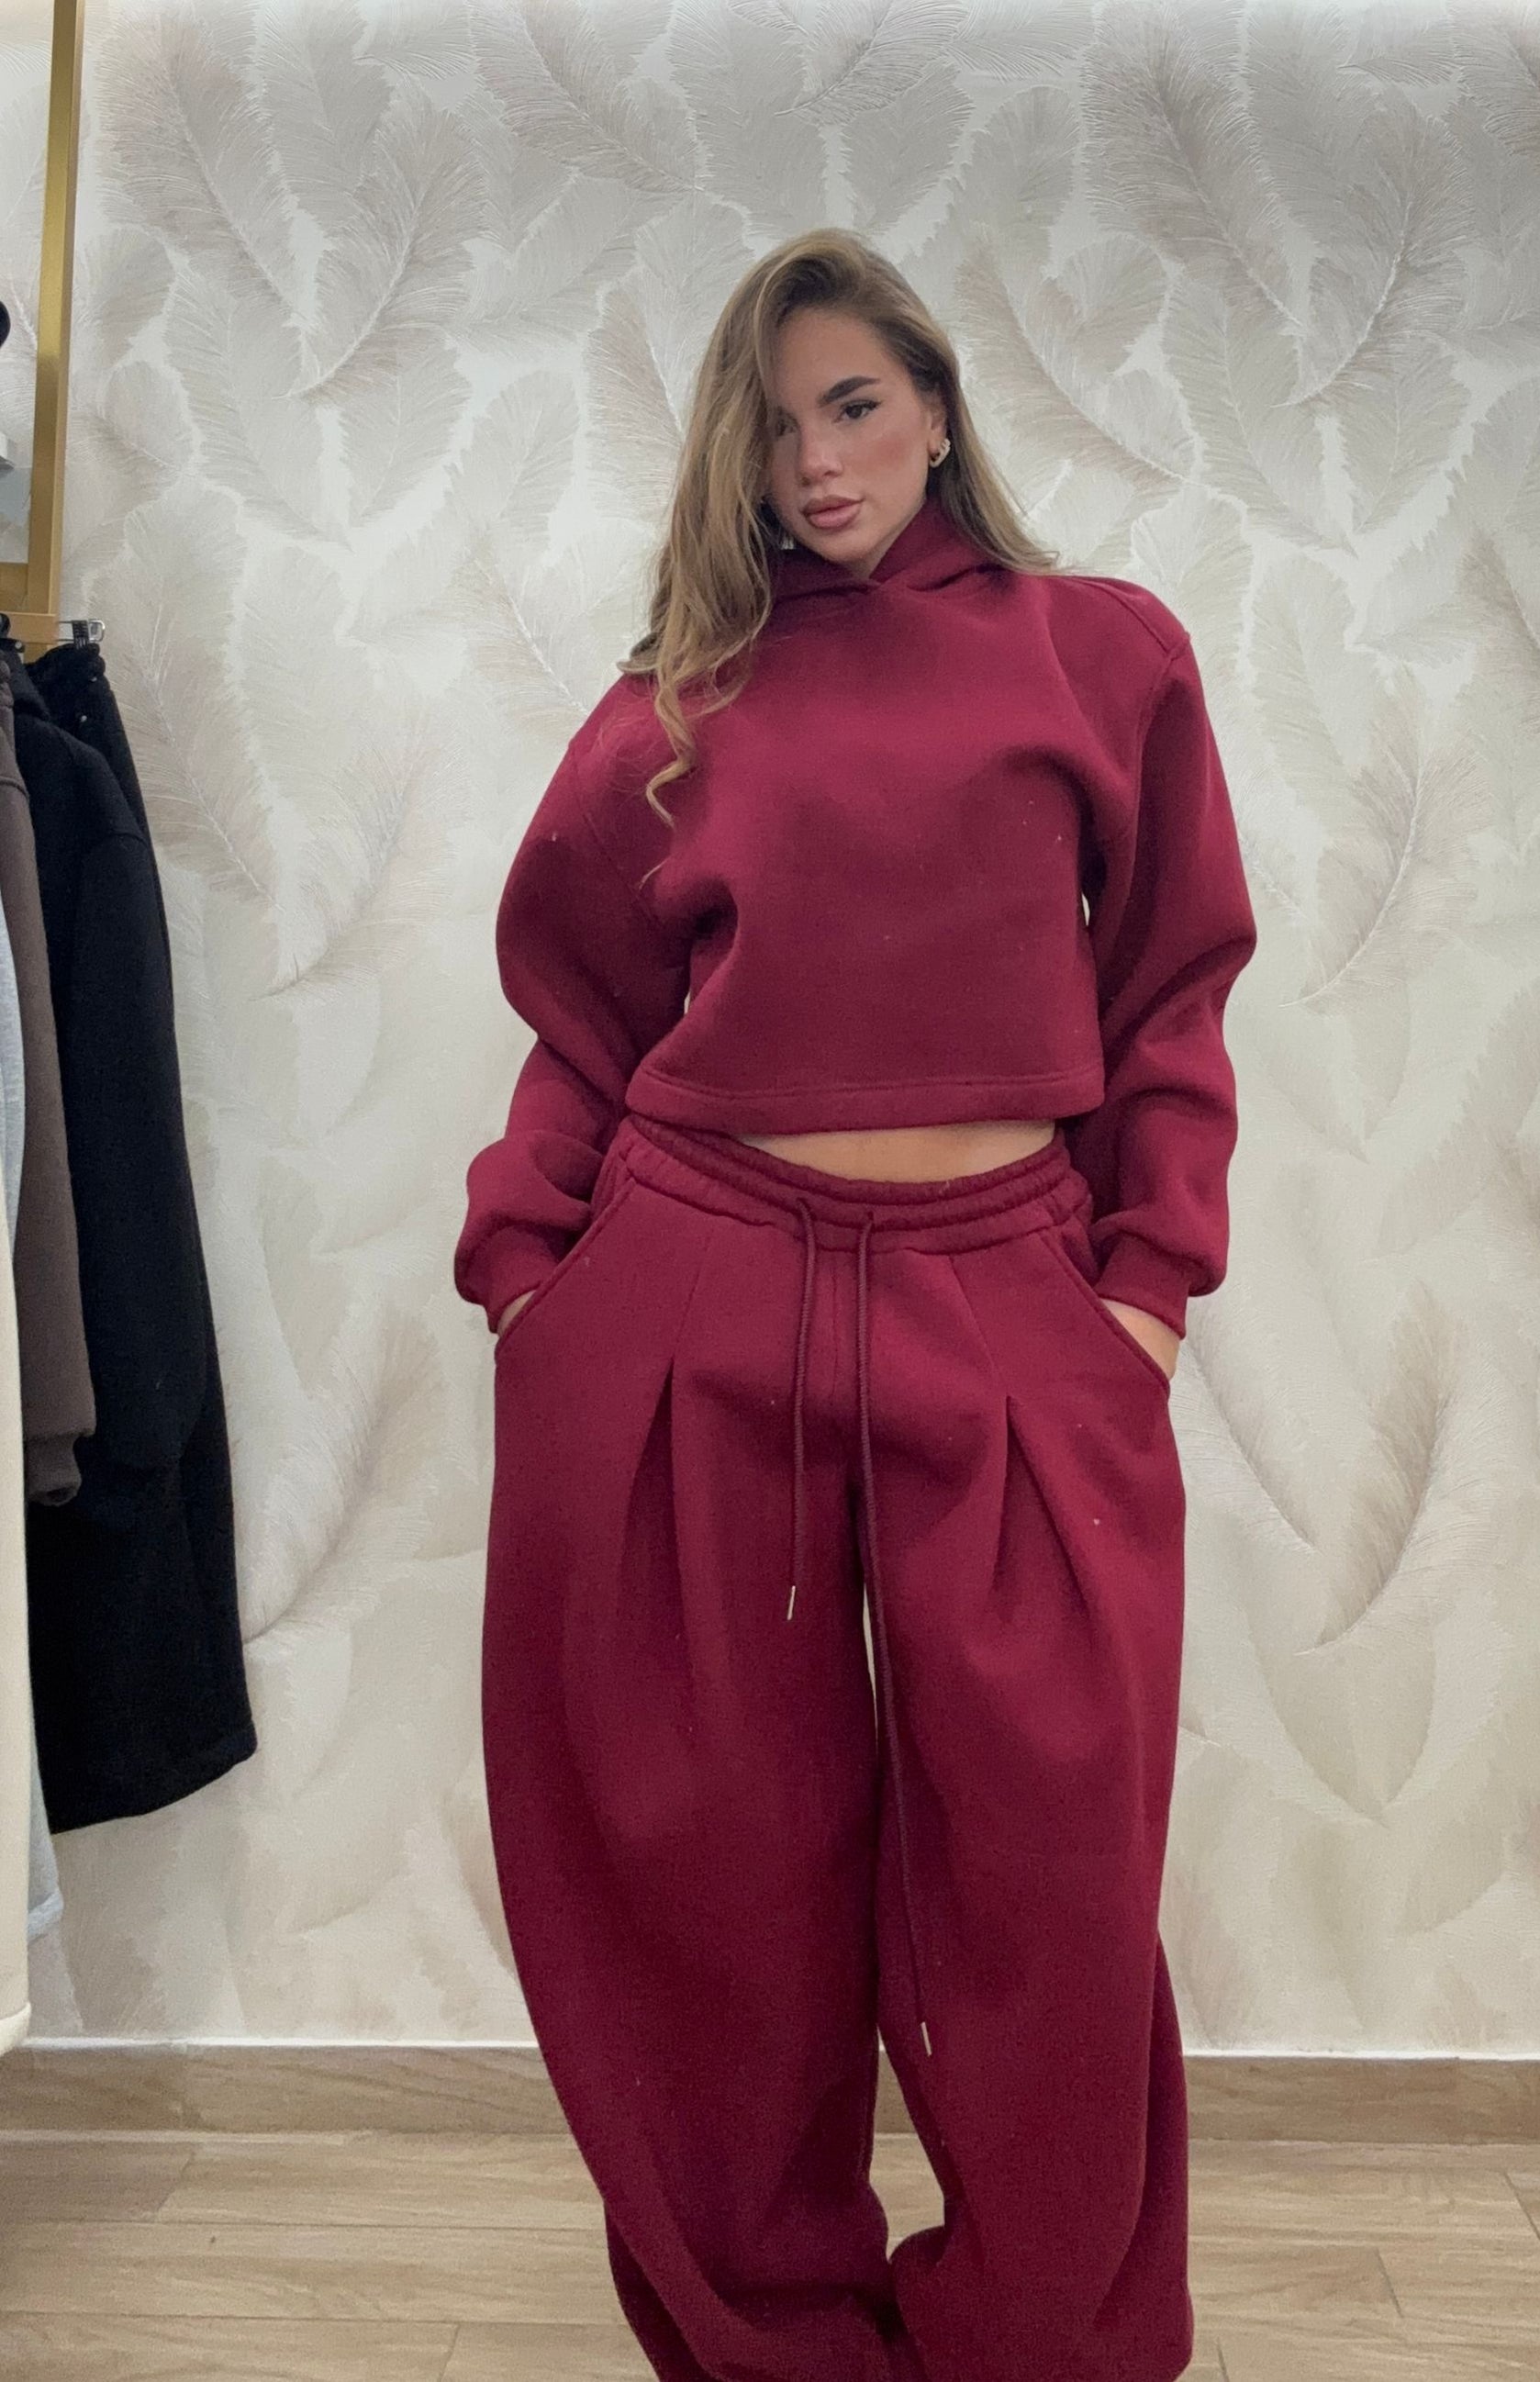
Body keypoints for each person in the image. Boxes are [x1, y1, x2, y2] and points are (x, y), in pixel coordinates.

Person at [452, 227, 1257, 2382]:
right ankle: (772, 2344)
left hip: (1013, 1301)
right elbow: (583, 1019)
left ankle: (1036, 2343)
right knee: (707, 1874)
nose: (816, 460)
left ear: (937, 405)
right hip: (692, 1286)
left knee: (1049, 1882)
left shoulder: (1100, 655)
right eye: (774, 424)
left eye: (855, 404)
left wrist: (1146, 1288)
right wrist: (528, 1268)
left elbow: (1171, 990)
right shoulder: (675, 704)